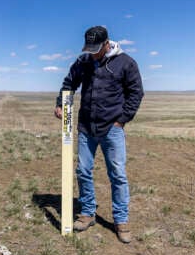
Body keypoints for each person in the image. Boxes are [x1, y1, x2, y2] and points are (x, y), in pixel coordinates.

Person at [54, 26, 144, 243]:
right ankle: (87, 213)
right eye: (90, 48)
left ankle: (121, 221)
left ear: (106, 44)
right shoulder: (83, 62)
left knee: (118, 175)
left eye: (96, 48)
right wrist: (61, 103)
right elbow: (69, 83)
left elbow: (136, 92)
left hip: (111, 128)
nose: (93, 53)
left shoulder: (125, 63)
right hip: (86, 127)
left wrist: (121, 121)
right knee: (83, 170)